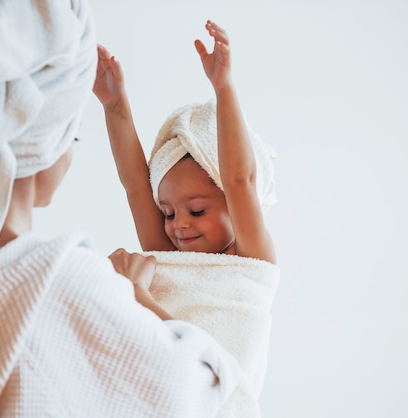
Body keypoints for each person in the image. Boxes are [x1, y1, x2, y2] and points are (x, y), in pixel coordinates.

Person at [0, 2, 242, 416]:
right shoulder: (59, 288)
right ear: (40, 145)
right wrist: (134, 293)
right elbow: (221, 394)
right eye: (72, 136)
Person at [94, 20, 281, 417]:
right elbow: (134, 185)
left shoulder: (252, 263)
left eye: (197, 210)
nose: (179, 224)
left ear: (234, 202)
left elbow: (239, 179)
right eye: (168, 212)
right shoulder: (172, 254)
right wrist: (114, 104)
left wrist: (224, 87)